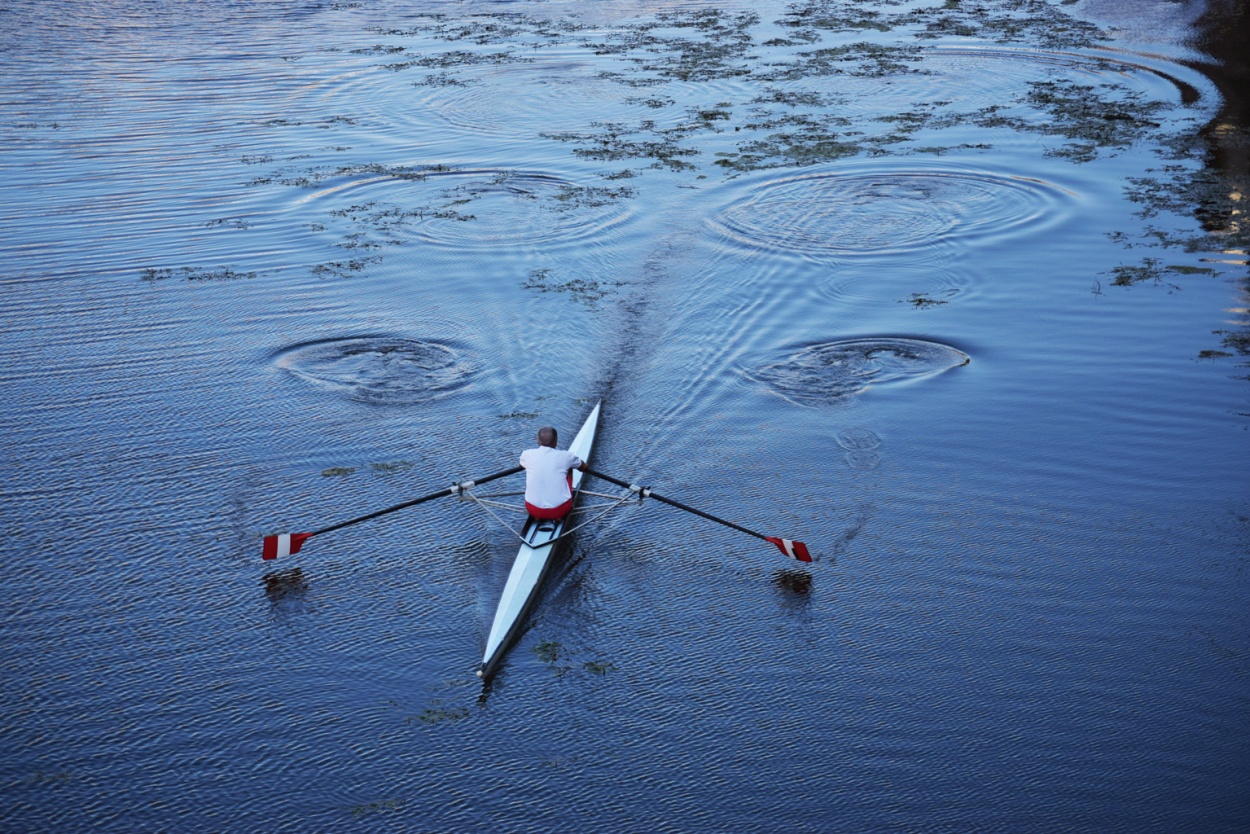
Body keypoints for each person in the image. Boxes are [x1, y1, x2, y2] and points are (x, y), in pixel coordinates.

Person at [519, 425, 585, 520]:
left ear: (538, 440)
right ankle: (559, 516)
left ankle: (537, 516)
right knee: (569, 468)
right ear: (556, 441)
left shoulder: (526, 454)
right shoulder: (566, 456)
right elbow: (583, 467)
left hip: (532, 509)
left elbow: (521, 466)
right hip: (560, 509)